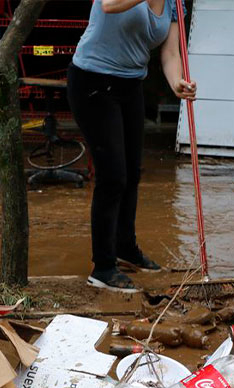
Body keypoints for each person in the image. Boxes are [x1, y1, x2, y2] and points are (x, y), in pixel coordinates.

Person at [68, 0, 196, 292]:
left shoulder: (175, 2)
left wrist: (178, 83)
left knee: (132, 174)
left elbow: (170, 53)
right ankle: (102, 267)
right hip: (93, 81)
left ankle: (125, 247)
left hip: (130, 85)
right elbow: (111, 5)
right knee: (112, 176)